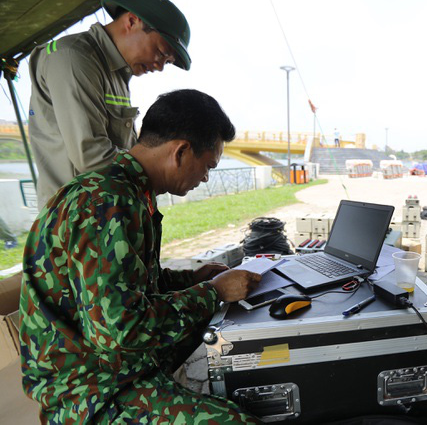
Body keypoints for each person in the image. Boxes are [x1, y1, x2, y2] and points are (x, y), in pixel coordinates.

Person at [20, 89, 261, 423]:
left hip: (110, 364)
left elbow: (127, 287)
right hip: (91, 390)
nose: (205, 178)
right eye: (207, 166)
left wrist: (192, 280)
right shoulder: (107, 203)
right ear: (180, 151)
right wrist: (214, 291)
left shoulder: (126, 191)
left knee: (231, 336)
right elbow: (119, 330)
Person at [28, 0, 191, 209]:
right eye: (161, 53)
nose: (160, 67)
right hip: (74, 224)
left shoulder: (117, 73)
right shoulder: (73, 57)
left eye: (167, 62)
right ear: (132, 21)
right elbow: (91, 155)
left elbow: (126, 148)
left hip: (106, 215)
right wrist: (158, 170)